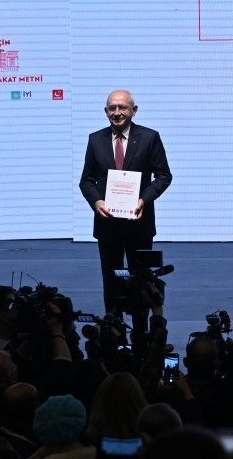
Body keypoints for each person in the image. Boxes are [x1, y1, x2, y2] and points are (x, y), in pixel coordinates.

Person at [79, 90, 172, 315]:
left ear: (134, 110)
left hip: (139, 223)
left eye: (122, 107)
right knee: (111, 280)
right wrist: (97, 201)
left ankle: (141, 335)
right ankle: (114, 331)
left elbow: (164, 176)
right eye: (112, 108)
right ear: (106, 112)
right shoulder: (95, 139)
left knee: (141, 281)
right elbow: (86, 180)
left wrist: (143, 200)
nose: (117, 112)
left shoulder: (150, 137)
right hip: (107, 224)